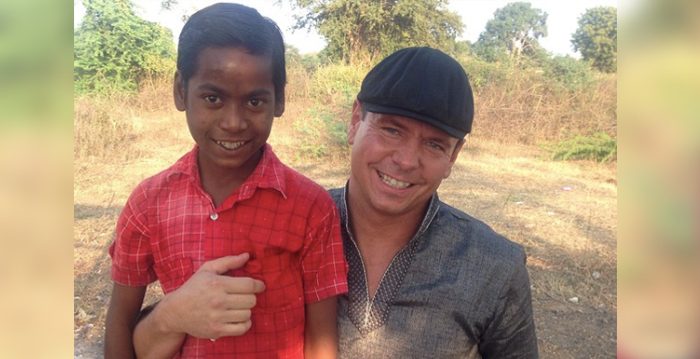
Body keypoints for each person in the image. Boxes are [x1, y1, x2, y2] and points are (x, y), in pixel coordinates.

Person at [134, 46, 539, 358]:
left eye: (434, 144)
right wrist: (168, 317)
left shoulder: (494, 266)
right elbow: (163, 336)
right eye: (392, 130)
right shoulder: (286, 221)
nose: (405, 160)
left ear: (453, 157)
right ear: (354, 121)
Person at [103, 3, 348, 359]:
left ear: (279, 99)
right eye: (213, 98)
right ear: (179, 91)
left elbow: (321, 340)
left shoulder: (311, 207)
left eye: (254, 101)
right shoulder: (148, 204)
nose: (233, 122)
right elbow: (120, 323)